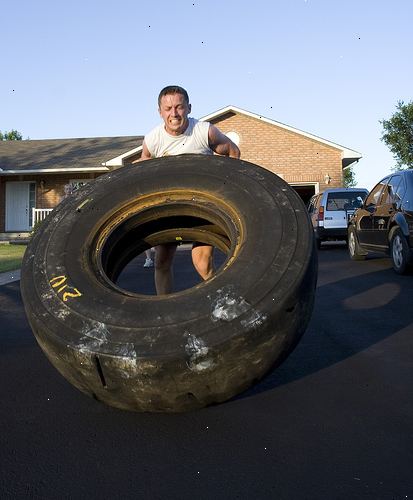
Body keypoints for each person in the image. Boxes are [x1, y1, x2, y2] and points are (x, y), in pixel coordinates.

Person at [140, 85, 240, 294]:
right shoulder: (153, 139)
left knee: (201, 263)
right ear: (160, 111)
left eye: (179, 107)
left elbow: (233, 152)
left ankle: (221, 300)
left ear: (189, 108)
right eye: (168, 109)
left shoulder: (204, 131)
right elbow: (143, 172)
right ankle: (165, 311)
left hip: (202, 207)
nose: (174, 113)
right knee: (161, 262)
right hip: (171, 208)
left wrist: (225, 190)